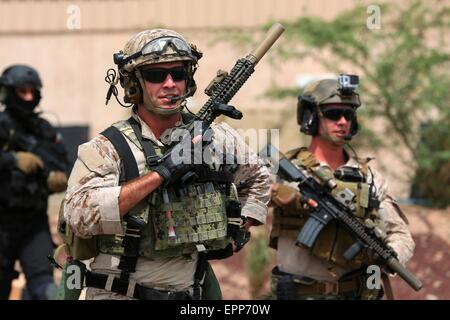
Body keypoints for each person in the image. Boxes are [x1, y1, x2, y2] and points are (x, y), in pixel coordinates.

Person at [61, 28, 270, 300]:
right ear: (134, 84)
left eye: (178, 74)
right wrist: (161, 173)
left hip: (190, 292)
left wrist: (236, 224)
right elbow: (78, 216)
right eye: (156, 75)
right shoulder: (109, 147)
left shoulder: (216, 139)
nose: (170, 83)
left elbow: (260, 176)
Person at [268, 75, 415, 300]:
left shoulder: (370, 178)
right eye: (333, 113)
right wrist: (281, 195)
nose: (343, 121)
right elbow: (248, 202)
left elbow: (400, 234)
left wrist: (389, 255)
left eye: (349, 114)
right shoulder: (283, 170)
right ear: (310, 117)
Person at [0, 64, 69, 300]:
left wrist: (57, 178)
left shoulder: (44, 129)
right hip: (2, 222)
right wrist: (12, 159)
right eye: (22, 91)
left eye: (33, 91)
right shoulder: (2, 125)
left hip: (33, 221)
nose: (29, 97)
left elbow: (63, 164)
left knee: (46, 289)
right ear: (8, 92)